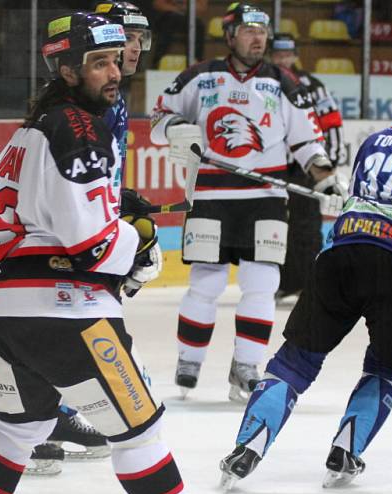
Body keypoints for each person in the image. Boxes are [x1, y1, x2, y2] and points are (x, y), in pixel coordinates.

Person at [0, 12, 245, 494]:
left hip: (4, 311)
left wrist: (111, 206)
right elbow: (88, 242)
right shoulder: (81, 128)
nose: (114, 72)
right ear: (67, 67)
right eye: (99, 62)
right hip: (68, 310)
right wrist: (138, 241)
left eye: (115, 59)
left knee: (18, 427)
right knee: (138, 427)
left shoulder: (30, 133)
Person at [219, 69, 392, 489]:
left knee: (294, 361)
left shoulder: (377, 139)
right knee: (387, 367)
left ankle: (246, 447)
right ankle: (346, 450)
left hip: (339, 255)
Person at [150, 3, 345, 404]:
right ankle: (189, 360)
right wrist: (179, 128)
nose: (258, 38)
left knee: (262, 285)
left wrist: (325, 177)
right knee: (206, 283)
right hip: (211, 196)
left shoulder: (283, 82)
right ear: (229, 35)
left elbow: (306, 141)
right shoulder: (200, 76)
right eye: (249, 30)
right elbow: (158, 119)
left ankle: (247, 366)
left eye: (263, 31)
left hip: (265, 197)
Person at [26, 0, 155, 475]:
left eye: (140, 37)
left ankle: (42, 421)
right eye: (124, 39)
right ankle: (36, 424)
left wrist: (120, 200)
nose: (134, 48)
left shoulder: (106, 99)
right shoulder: (76, 106)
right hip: (61, 240)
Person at [268, 32, 347, 302]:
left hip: (305, 167)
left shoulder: (313, 86)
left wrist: (329, 163)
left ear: (295, 55)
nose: (282, 58)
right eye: (277, 54)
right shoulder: (263, 83)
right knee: (275, 226)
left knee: (306, 226)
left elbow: (332, 121)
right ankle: (286, 282)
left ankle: (309, 284)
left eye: (287, 53)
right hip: (272, 168)